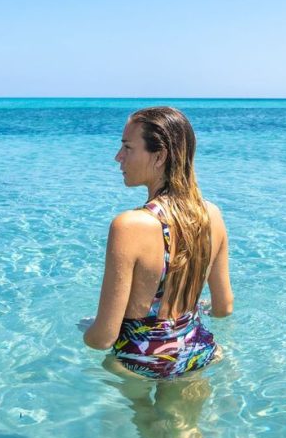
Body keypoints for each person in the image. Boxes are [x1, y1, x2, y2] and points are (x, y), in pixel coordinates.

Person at [82, 106, 233, 377]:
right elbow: (223, 308)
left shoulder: (129, 226)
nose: (118, 157)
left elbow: (103, 338)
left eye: (128, 147)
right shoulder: (212, 215)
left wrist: (87, 330)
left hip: (141, 365)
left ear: (160, 156)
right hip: (199, 353)